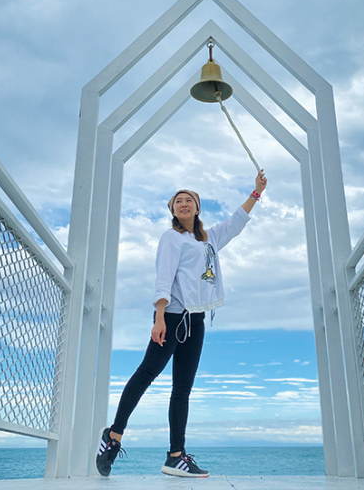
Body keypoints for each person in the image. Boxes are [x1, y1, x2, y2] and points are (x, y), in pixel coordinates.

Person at [95, 170, 268, 478]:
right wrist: (159, 317)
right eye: (178, 201)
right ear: (173, 210)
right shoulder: (171, 238)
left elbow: (236, 222)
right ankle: (113, 435)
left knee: (182, 389)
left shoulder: (208, 238)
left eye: (189, 200)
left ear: (197, 208)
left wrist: (256, 192)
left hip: (196, 319)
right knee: (147, 373)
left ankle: (176, 456)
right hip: (172, 317)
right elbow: (164, 278)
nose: (184, 203)